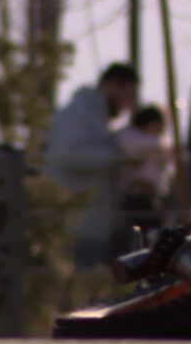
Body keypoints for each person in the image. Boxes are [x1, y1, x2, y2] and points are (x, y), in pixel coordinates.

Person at [45, 62, 139, 270]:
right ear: (112, 86)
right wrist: (118, 155)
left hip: (93, 230)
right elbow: (70, 156)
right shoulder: (76, 114)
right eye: (129, 95)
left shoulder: (97, 120)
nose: (128, 105)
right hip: (76, 230)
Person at [115, 105, 171, 236]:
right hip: (136, 198)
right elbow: (156, 144)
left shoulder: (149, 143)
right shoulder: (131, 138)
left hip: (152, 199)